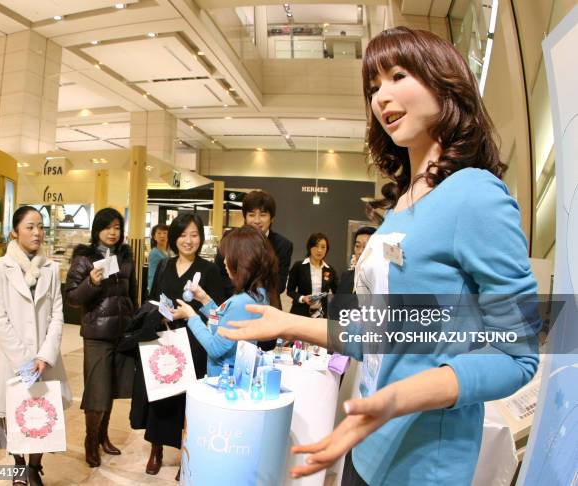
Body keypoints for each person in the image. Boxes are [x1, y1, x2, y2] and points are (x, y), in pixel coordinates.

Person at [218, 26, 540, 486]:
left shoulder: (475, 194)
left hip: (420, 462)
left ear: (443, 80)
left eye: (398, 75)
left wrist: (399, 397)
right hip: (367, 446)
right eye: (373, 87)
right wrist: (286, 322)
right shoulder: (404, 205)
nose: (381, 97)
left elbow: (517, 355)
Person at [128, 214, 224, 477]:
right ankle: (156, 449)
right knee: (161, 394)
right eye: (183, 235)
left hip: (195, 343)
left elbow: (216, 313)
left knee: (188, 401)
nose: (188, 240)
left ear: (201, 238)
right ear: (174, 238)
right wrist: (159, 313)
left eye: (194, 235)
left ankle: (187, 455)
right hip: (165, 340)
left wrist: (190, 314)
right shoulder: (164, 266)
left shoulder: (210, 270)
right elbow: (152, 299)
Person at [0, 206, 72, 486]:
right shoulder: (0, 267)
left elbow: (58, 314)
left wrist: (45, 355)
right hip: (13, 357)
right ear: (15, 231)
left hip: (44, 358)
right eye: (30, 227)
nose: (37, 233)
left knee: (42, 413)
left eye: (40, 227)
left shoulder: (51, 268)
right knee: (15, 412)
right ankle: (19, 465)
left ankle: (35, 466)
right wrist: (25, 360)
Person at [65, 207, 137, 468]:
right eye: (108, 227)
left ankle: (103, 436)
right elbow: (72, 297)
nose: (113, 232)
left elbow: (132, 295)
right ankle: (90, 440)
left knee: (113, 389)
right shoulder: (84, 259)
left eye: (117, 227)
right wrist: (91, 283)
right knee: (97, 391)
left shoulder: (126, 258)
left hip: (122, 332)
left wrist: (134, 322)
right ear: (97, 229)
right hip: (97, 334)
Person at [175, 225, 278, 377]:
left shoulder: (242, 302)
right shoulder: (258, 294)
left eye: (227, 256)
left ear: (241, 260)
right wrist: (205, 300)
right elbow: (225, 324)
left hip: (224, 378)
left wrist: (191, 316)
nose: (224, 261)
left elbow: (215, 347)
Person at [215, 190, 292, 301]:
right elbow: (220, 275)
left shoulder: (283, 245)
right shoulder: (229, 239)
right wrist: (241, 298)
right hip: (232, 303)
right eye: (251, 215)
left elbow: (278, 285)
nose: (257, 220)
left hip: (267, 307)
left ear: (272, 218)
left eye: (263, 215)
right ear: (245, 217)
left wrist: (250, 295)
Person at [287, 233, 338, 318]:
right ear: (309, 247)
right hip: (300, 313)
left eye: (323, 247)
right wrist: (303, 298)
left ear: (327, 249)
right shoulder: (299, 266)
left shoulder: (329, 270)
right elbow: (290, 290)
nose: (319, 250)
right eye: (316, 246)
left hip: (321, 315)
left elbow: (338, 292)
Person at [336, 226, 376, 295]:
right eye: (357, 246)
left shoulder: (381, 280)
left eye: (365, 247)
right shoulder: (346, 276)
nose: (360, 252)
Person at [147, 224, 169, 295]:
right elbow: (152, 275)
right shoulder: (154, 252)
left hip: (166, 288)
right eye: (159, 233)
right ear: (154, 237)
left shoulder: (168, 252)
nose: (162, 236)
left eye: (165, 233)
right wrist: (152, 291)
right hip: (158, 290)